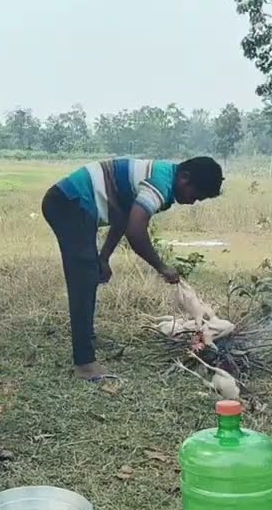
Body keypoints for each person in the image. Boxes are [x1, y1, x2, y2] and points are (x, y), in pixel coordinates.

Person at [42, 156, 224, 382]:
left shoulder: (162, 176)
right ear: (185, 177)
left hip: (74, 204)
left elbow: (122, 216)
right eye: (195, 195)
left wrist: (104, 257)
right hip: (69, 202)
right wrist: (161, 267)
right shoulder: (160, 183)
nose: (192, 201)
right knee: (83, 280)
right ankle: (85, 364)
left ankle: (87, 341)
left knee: (89, 275)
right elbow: (135, 231)